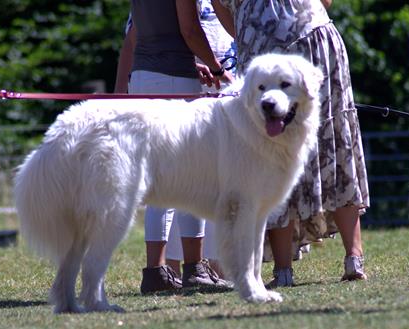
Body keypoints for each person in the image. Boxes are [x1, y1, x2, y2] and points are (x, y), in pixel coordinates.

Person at [212, 0, 370, 287]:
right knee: (335, 139)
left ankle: (283, 271)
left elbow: (221, 9)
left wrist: (253, 28)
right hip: (313, 33)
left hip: (259, 43)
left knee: (271, 155)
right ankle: (353, 257)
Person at [115, 0, 234, 294]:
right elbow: (190, 30)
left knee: (159, 181)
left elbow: (146, 34)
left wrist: (192, 64)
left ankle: (155, 271)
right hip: (175, 80)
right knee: (191, 177)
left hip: (143, 77)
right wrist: (217, 69)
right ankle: (194, 268)